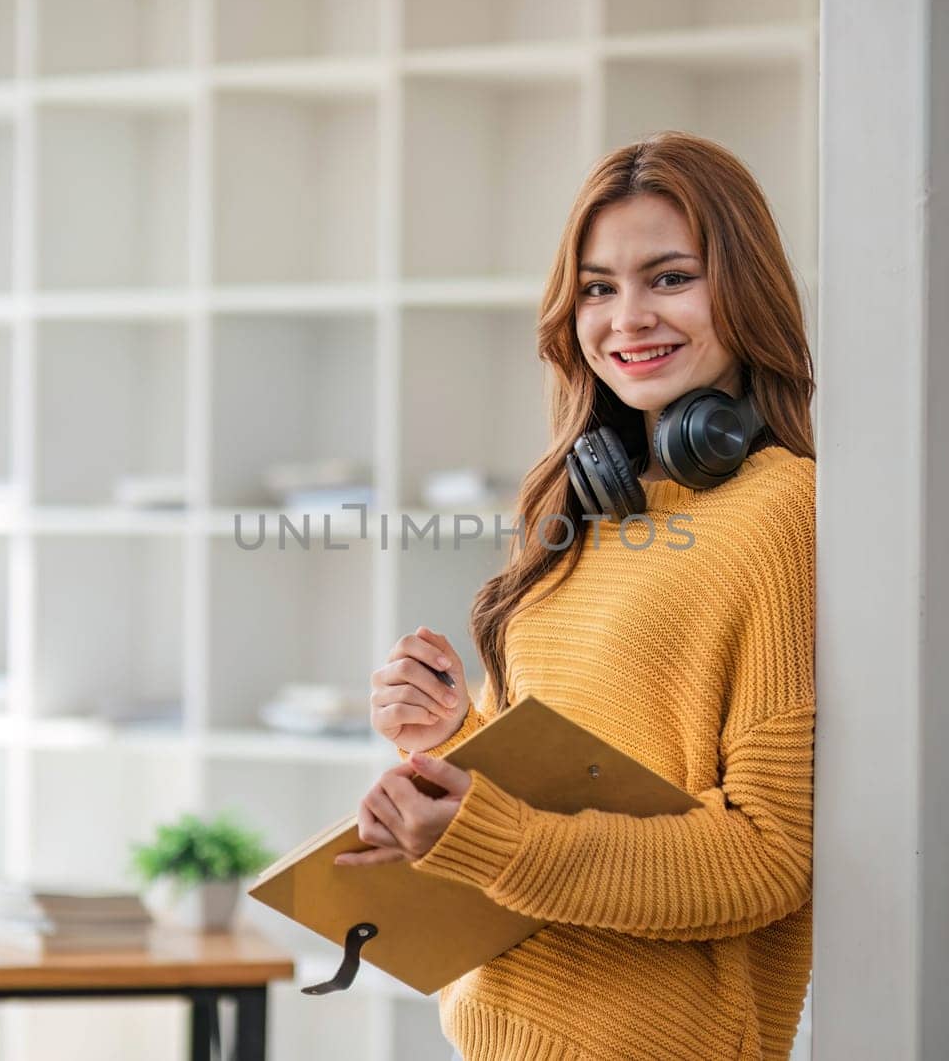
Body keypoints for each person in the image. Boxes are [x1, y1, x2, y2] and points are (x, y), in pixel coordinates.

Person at [338, 130, 817, 1061]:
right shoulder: (582, 509)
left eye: (669, 277)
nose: (626, 318)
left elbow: (767, 861)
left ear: (744, 289)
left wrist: (483, 832)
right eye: (598, 287)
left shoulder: (781, 511)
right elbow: (569, 778)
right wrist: (451, 742)